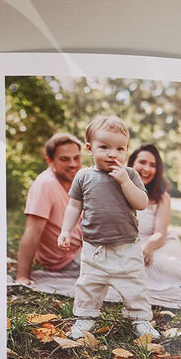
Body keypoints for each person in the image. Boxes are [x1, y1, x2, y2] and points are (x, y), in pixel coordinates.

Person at [57, 116, 158, 340]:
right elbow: (74, 206)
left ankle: (140, 319)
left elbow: (141, 203)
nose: (113, 154)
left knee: (135, 285)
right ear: (90, 148)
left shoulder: (130, 174)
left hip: (126, 247)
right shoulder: (83, 176)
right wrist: (65, 230)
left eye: (120, 149)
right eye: (104, 147)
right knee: (89, 284)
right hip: (94, 248)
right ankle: (85, 317)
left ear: (126, 151)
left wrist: (125, 182)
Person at [127, 145, 181, 290]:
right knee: (138, 261)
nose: (147, 169)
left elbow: (160, 233)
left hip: (159, 243)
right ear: (132, 164)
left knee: (153, 262)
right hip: (130, 248)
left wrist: (148, 247)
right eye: (142, 162)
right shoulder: (119, 188)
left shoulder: (162, 197)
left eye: (152, 165)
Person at [14, 132, 83, 285]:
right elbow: (32, 232)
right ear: (50, 161)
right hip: (65, 261)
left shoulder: (76, 183)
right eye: (65, 159)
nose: (73, 164)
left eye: (76, 158)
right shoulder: (46, 184)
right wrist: (22, 276)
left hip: (81, 252)